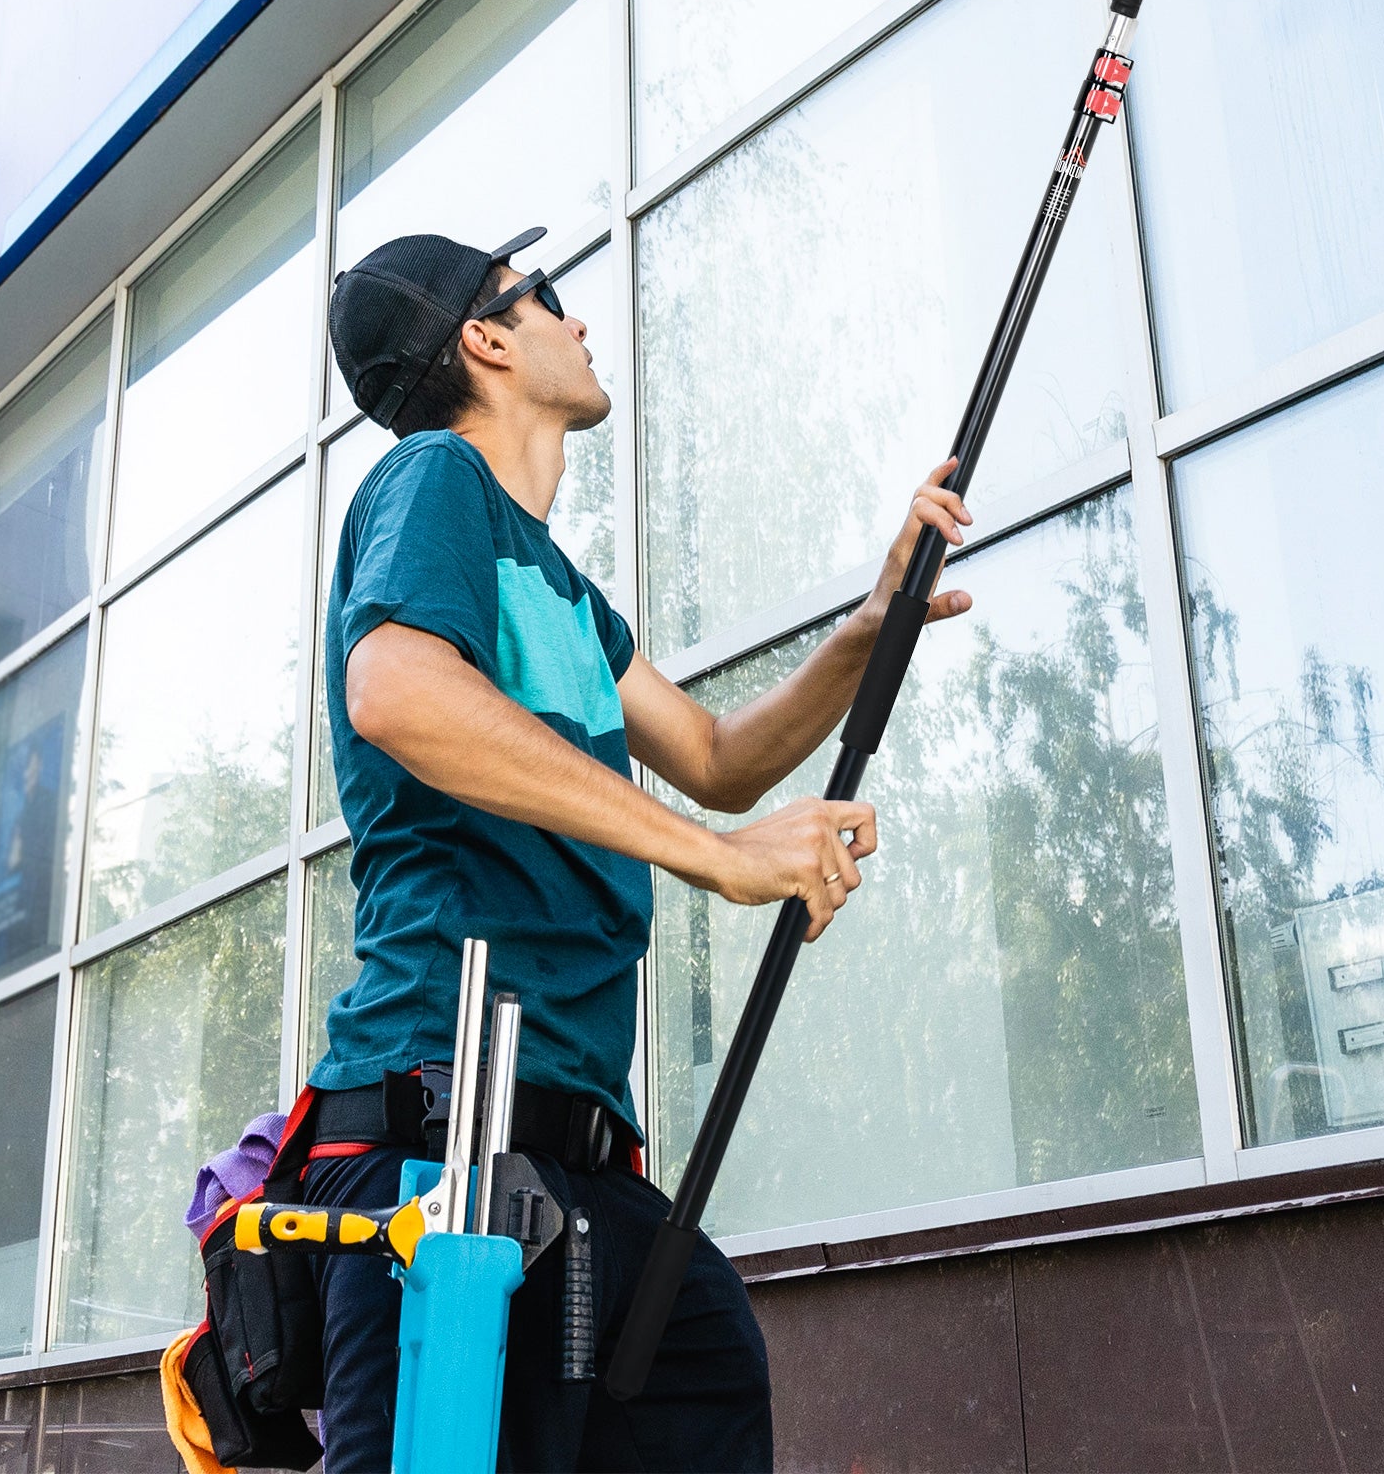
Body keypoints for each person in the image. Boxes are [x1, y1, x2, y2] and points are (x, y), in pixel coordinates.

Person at [311, 227, 974, 1472]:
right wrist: (716, 857)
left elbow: (718, 753)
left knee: (705, 1367)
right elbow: (394, 687)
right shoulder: (432, 482)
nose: (579, 317)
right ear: (487, 337)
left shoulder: (557, 586)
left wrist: (870, 625)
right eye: (547, 296)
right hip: (444, 1142)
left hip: (579, 1159)